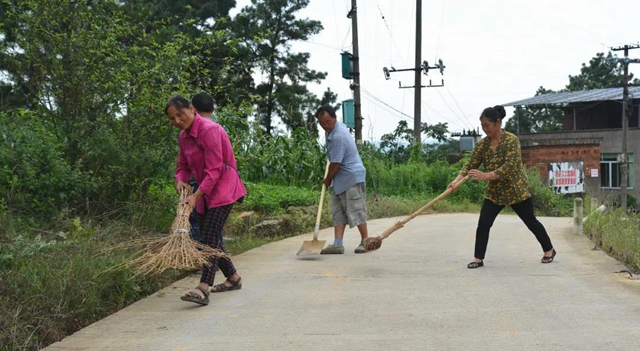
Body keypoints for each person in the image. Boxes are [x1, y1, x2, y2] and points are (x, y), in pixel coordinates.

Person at [448, 105, 557, 269]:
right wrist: (456, 181)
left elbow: (509, 167)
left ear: (498, 122)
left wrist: (485, 176)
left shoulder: (511, 140)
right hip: (495, 193)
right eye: (482, 126)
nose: (485, 130)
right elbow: (469, 165)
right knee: (484, 223)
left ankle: (549, 250)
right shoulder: (483, 145)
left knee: (530, 221)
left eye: (488, 125)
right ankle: (478, 258)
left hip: (516, 190)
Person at [166, 95, 245, 305]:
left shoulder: (210, 130)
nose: (177, 121)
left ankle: (204, 287)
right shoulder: (184, 137)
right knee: (211, 239)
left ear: (192, 109)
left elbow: (215, 169)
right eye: (172, 118)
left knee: (209, 238)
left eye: (180, 115)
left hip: (223, 189)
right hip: (204, 192)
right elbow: (183, 167)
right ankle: (233, 278)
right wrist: (179, 182)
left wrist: (195, 196)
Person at [315, 105, 368, 254]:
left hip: (350, 177)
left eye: (327, 122)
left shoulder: (338, 136)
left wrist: (327, 179)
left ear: (334, 118)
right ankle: (338, 244)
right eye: (322, 123)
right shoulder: (333, 130)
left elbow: (336, 163)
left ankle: (366, 241)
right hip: (339, 178)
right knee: (338, 212)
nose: (325, 126)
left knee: (356, 210)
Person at [187, 92, 218, 243]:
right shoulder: (217, 129)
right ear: (213, 110)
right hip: (216, 184)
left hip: (198, 180)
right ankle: (211, 257)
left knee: (196, 220)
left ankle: (200, 254)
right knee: (214, 226)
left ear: (192, 108)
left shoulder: (195, 129)